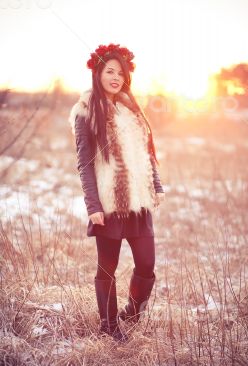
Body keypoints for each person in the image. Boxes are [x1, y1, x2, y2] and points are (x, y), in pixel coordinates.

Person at [69, 43, 165, 343]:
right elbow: (84, 164)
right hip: (109, 205)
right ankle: (109, 326)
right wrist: (93, 205)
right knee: (107, 268)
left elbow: (147, 154)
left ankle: (132, 314)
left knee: (147, 264)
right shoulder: (86, 111)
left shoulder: (132, 110)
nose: (115, 77)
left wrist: (156, 186)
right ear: (98, 73)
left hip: (139, 203)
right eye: (109, 71)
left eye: (120, 73)